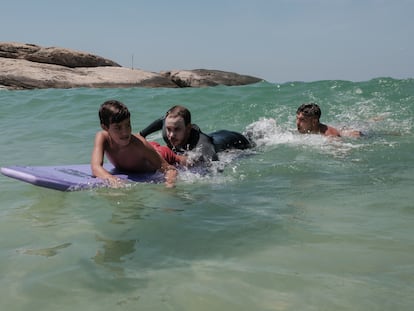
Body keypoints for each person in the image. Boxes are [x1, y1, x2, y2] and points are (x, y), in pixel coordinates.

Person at [91, 100, 177, 188]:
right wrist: (110, 178)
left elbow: (170, 169)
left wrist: (170, 184)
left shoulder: (140, 145)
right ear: (105, 127)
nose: (125, 132)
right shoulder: (102, 137)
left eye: (128, 125)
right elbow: (95, 167)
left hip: (161, 152)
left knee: (184, 161)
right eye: (118, 127)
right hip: (149, 149)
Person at [139, 105, 251, 165]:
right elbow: (161, 121)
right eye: (168, 129)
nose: (171, 135)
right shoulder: (169, 124)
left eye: (177, 129)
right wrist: (142, 134)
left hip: (234, 140)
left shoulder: (202, 144)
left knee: (254, 143)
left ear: (188, 128)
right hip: (216, 134)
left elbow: (215, 166)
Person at [296, 103, 362, 137]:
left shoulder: (330, 135)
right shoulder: (307, 130)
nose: (297, 123)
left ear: (314, 121)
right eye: (297, 118)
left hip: (358, 133)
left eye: (302, 120)